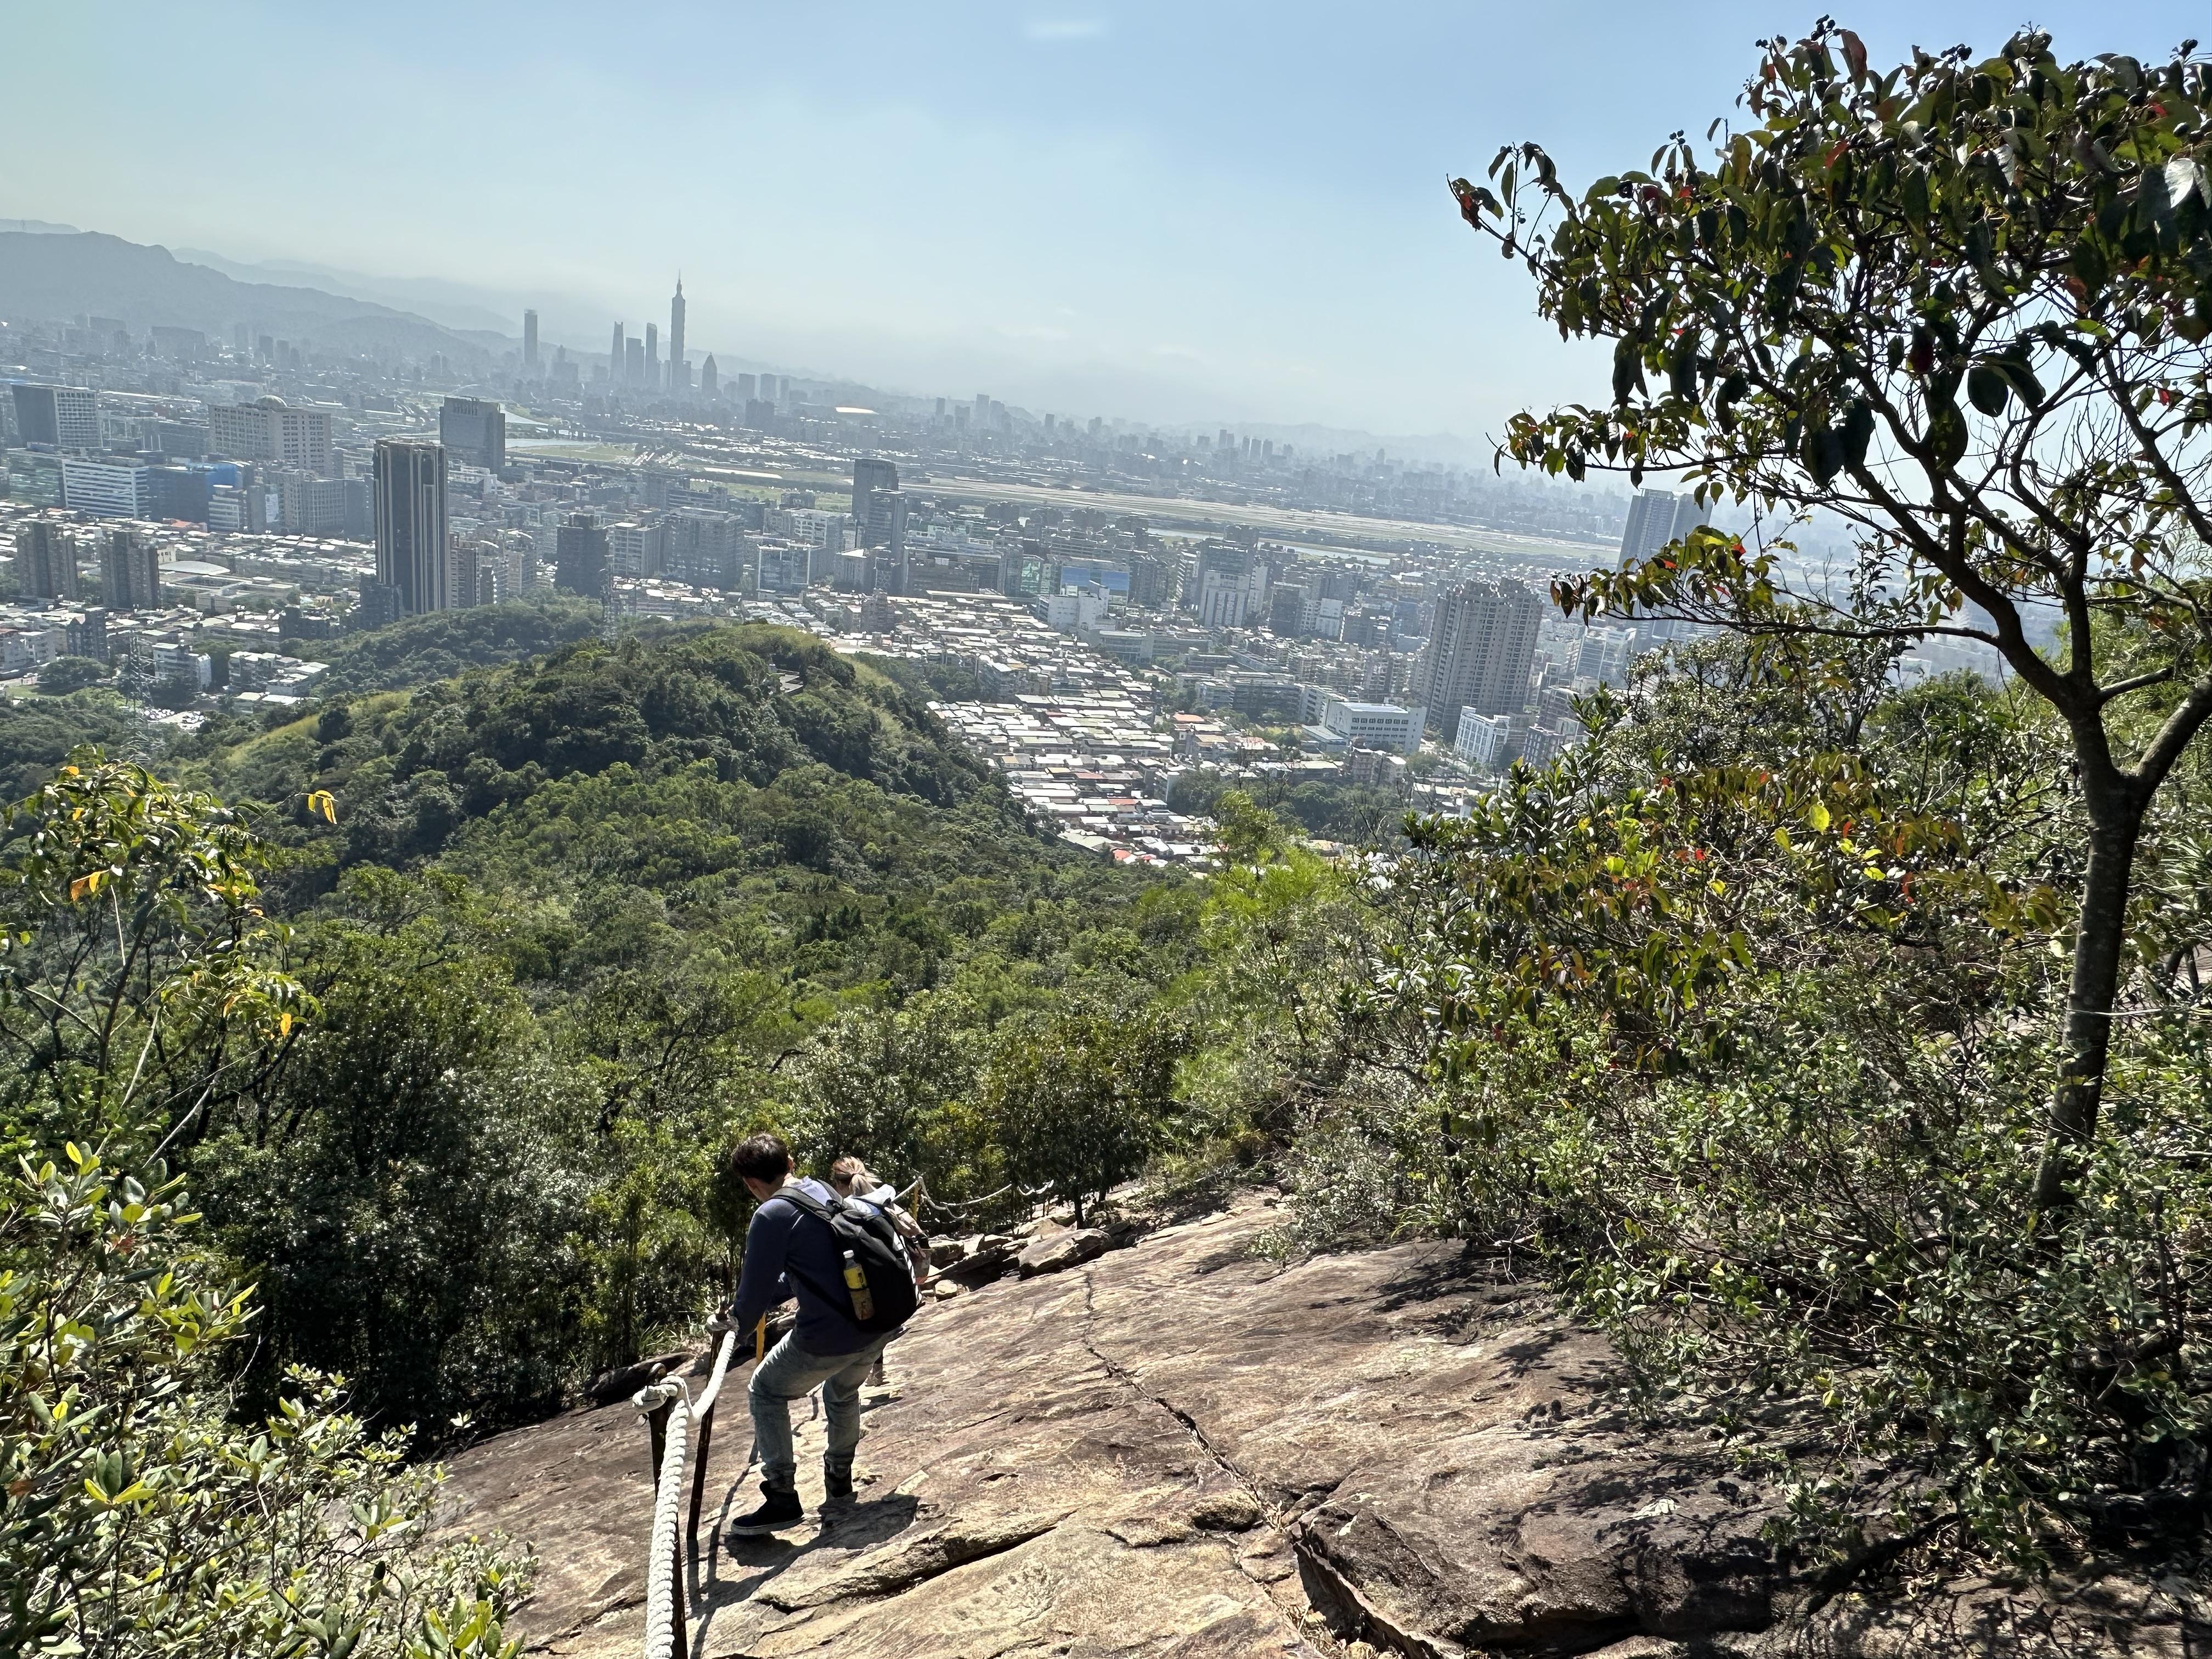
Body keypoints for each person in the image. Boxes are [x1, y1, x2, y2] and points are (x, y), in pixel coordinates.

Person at [719, 1133, 900, 1535]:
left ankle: (781, 1495)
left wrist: (733, 1324)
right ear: (791, 1163)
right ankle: (840, 1478)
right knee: (843, 1392)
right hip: (872, 1322)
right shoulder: (818, 1188)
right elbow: (806, 1267)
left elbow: (753, 1300)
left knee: (765, 1390)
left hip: (830, 1335)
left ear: (750, 1184)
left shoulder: (770, 1215)